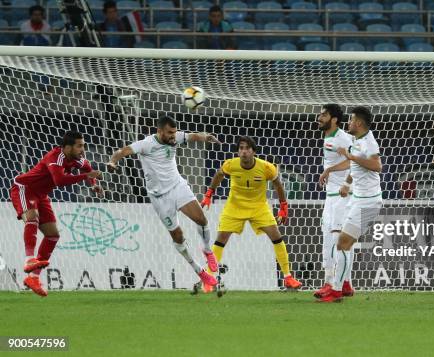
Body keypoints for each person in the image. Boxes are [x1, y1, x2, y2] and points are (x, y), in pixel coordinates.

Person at [107, 116, 221, 290]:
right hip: (159, 198)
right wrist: (112, 161)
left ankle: (207, 250)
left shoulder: (175, 138)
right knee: (178, 236)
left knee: (201, 219)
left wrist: (206, 137)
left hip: (177, 187)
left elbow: (193, 136)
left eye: (174, 132)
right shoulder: (146, 144)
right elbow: (122, 151)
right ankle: (199, 271)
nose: (173, 136)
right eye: (169, 133)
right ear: (159, 131)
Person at [200, 136, 302, 292]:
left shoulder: (266, 167)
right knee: (220, 240)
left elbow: (278, 185)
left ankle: (288, 277)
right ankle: (208, 279)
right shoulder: (230, 164)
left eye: (247, 148)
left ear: (253, 151)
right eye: (241, 148)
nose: (243, 151)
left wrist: (283, 207)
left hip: (258, 207)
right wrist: (209, 194)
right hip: (234, 207)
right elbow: (219, 175)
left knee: (276, 236)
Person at [9, 131, 102, 296]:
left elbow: (89, 168)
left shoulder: (77, 159)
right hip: (24, 188)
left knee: (53, 235)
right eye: (79, 146)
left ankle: (34, 278)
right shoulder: (55, 157)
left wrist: (93, 184)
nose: (83, 149)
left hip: (41, 195)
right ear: (67, 147)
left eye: (83, 145)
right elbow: (59, 181)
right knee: (32, 218)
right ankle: (29, 259)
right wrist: (86, 176)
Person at [317, 106, 383, 303]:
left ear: (359, 123)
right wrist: (347, 183)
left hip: (367, 203)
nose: (349, 123)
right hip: (358, 200)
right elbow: (356, 167)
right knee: (344, 243)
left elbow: (377, 166)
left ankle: (337, 289)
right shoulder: (358, 140)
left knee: (342, 243)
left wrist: (351, 156)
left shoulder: (368, 143)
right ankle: (341, 286)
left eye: (352, 120)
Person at [314, 104, 354, 298]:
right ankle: (345, 283)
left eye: (324, 114)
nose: (319, 117)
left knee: (337, 241)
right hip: (331, 196)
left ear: (334, 119)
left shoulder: (343, 138)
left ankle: (333, 284)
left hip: (343, 196)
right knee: (329, 239)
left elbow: (354, 160)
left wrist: (329, 170)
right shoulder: (328, 136)